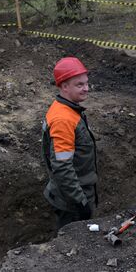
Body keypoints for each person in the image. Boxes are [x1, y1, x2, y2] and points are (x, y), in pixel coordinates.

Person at [41, 57, 98, 230]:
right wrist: (81, 202)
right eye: (79, 85)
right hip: (71, 201)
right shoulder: (63, 119)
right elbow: (62, 167)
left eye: (87, 83)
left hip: (76, 193)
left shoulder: (68, 109)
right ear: (64, 86)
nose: (86, 89)